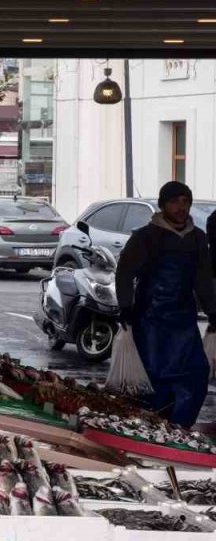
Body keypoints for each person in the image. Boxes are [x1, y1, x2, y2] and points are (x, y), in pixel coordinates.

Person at [116, 181, 216, 428]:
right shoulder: (145, 237)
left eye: (185, 202)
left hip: (184, 320)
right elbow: (125, 273)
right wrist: (125, 307)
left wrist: (213, 311)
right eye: (174, 202)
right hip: (150, 320)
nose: (181, 208)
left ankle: (179, 428)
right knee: (156, 378)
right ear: (163, 206)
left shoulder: (197, 238)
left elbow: (203, 278)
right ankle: (152, 428)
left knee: (196, 374)